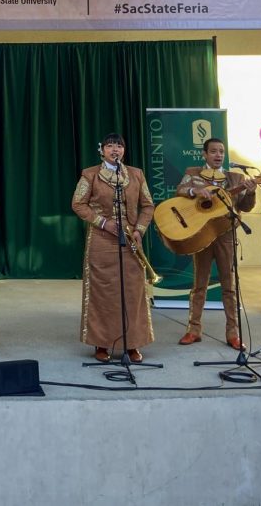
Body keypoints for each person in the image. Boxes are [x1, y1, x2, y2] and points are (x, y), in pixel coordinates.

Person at [70, 133, 155, 363]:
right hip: (101, 239)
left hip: (131, 239)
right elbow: (77, 204)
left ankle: (132, 344)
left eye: (119, 145)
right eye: (110, 146)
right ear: (102, 151)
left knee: (133, 291)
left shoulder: (136, 174)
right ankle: (102, 343)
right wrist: (103, 222)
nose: (115, 149)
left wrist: (139, 229)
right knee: (104, 292)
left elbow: (148, 206)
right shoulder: (90, 175)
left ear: (124, 151)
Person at [175, 137, 256, 349]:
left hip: (226, 235)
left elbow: (245, 207)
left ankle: (233, 332)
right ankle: (193, 330)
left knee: (229, 286)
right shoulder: (193, 174)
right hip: (201, 234)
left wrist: (251, 191)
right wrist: (195, 191)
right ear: (204, 154)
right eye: (213, 151)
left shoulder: (235, 178)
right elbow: (180, 190)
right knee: (199, 285)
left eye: (221, 151)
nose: (218, 155)